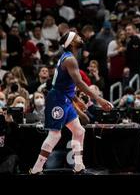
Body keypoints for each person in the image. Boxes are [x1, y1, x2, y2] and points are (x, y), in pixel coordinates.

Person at [30, 31, 113, 174]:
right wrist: (99, 99)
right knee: (55, 135)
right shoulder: (70, 60)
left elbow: (66, 84)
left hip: (64, 98)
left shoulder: (68, 57)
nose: (80, 38)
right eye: (77, 37)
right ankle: (36, 169)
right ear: (72, 43)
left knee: (79, 131)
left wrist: (76, 100)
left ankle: (79, 166)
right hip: (57, 99)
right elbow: (79, 83)